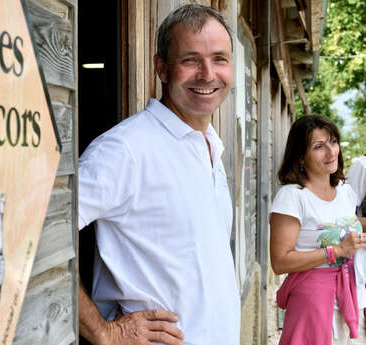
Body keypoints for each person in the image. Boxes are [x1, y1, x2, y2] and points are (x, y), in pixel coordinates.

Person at [78, 4, 240, 345]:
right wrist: (104, 332)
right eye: (191, 59)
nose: (208, 73)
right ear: (162, 68)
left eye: (220, 59)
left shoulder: (210, 145)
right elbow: (34, 232)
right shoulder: (125, 151)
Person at [269, 115, 366, 345]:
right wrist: (336, 251)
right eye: (319, 147)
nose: (331, 152)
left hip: (350, 296)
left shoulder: (344, 191)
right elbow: (280, 261)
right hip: (312, 301)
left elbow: (344, 223)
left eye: (333, 142)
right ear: (301, 156)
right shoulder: (293, 196)